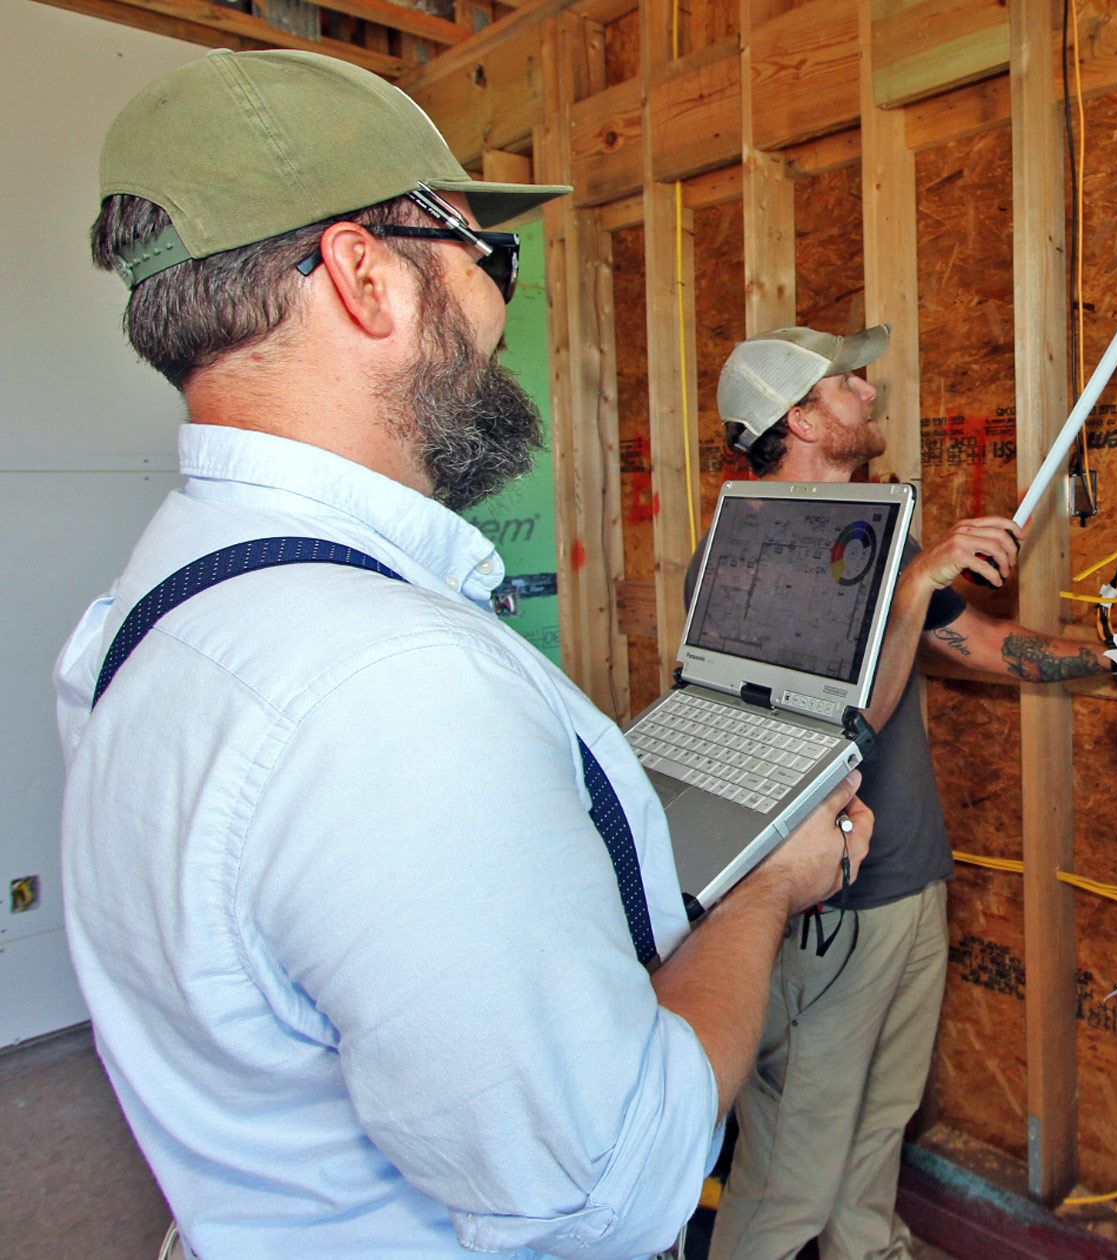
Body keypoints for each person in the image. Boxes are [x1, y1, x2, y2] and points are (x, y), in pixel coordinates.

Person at [56, 49, 871, 1260]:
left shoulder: (143, 614)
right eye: (486, 259)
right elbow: (611, 1185)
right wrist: (765, 887)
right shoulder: (390, 690)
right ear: (364, 274)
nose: (497, 312)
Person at [696, 325, 1112, 1259]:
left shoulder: (875, 541)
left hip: (908, 882)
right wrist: (920, 579)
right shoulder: (756, 556)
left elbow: (990, 646)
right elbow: (848, 724)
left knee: (876, 1138)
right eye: (847, 384)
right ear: (799, 417)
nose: (869, 395)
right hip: (827, 904)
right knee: (792, 1172)